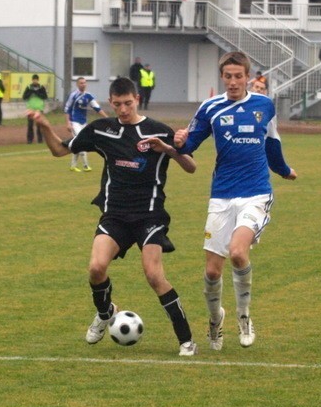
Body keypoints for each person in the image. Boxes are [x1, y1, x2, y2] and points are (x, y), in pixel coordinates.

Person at [31, 76, 199, 356]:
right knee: (96, 268)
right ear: (111, 102)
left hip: (149, 216)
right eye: (118, 104)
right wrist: (46, 127)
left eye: (128, 103)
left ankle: (186, 340)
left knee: (154, 275)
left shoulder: (157, 130)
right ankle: (106, 312)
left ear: (138, 100)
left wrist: (169, 149)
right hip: (115, 216)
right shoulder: (102, 130)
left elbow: (191, 166)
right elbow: (59, 150)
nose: (123, 109)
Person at [175, 51, 297, 351]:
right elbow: (190, 144)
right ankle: (216, 321)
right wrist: (179, 140)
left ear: (248, 77)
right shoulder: (210, 108)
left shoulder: (264, 106)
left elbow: (272, 143)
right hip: (221, 196)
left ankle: (244, 318)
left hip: (256, 193)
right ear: (222, 77)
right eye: (228, 76)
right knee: (212, 271)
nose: (233, 82)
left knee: (238, 252)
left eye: (238, 76)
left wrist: (283, 170)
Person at [64, 77, 107, 172]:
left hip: (84, 123)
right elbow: (67, 109)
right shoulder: (73, 95)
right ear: (77, 84)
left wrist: (107, 118)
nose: (83, 84)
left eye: (84, 83)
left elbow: (97, 108)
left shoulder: (88, 96)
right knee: (81, 141)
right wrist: (68, 123)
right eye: (81, 83)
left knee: (77, 143)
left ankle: (73, 166)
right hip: (74, 122)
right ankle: (85, 166)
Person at [23, 74, 48, 144]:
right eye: (34, 80)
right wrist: (30, 92)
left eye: (36, 80)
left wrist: (37, 93)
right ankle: (29, 139)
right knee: (30, 125)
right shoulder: (28, 87)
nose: (35, 81)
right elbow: (24, 97)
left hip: (39, 109)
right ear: (32, 80)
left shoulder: (41, 87)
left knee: (39, 125)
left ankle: (40, 139)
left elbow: (45, 96)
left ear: (38, 80)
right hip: (30, 109)